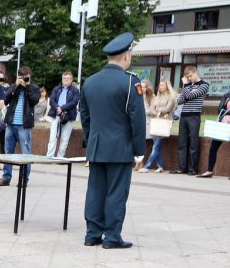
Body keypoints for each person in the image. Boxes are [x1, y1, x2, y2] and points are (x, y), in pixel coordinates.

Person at [80, 32, 145, 249]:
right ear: (126, 55)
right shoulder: (130, 83)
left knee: (95, 191)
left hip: (97, 147)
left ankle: (92, 234)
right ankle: (112, 237)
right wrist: (139, 150)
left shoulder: (90, 81)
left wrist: (90, 142)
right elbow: (137, 119)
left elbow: (85, 117)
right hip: (120, 148)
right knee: (116, 193)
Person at [0, 66, 41, 187]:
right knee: (8, 152)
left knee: (25, 153)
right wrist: (15, 86)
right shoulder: (14, 87)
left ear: (30, 76)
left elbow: (34, 101)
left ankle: (23, 178)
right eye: (22, 76)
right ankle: (6, 177)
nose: (24, 78)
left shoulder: (34, 88)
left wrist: (26, 87)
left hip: (24, 126)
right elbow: (6, 99)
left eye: (26, 76)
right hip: (10, 124)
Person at [171, 65, 210, 175]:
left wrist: (186, 85)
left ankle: (192, 169)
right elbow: (180, 100)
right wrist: (186, 88)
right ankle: (181, 167)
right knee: (182, 143)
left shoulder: (204, 85)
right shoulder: (188, 86)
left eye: (190, 76)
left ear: (196, 72)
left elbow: (191, 96)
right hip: (184, 116)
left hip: (194, 116)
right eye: (187, 77)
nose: (189, 78)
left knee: (193, 143)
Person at [141, 80, 176, 173]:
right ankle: (160, 166)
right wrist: (156, 111)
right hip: (156, 122)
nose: (160, 87)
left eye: (163, 85)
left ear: (167, 87)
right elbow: (152, 108)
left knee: (156, 146)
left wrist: (158, 110)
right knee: (157, 146)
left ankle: (147, 166)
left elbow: (168, 108)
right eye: (159, 85)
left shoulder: (171, 97)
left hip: (164, 122)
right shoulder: (157, 97)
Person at [46, 71, 80, 158]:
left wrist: (62, 108)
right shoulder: (56, 89)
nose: (66, 80)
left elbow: (74, 102)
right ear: (62, 79)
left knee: (65, 139)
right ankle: (49, 157)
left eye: (68, 78)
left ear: (71, 80)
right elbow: (52, 100)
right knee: (53, 137)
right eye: (64, 78)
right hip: (56, 114)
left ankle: (60, 158)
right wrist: (58, 108)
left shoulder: (75, 90)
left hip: (68, 116)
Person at [197, 88, 230, 178]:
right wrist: (226, 112)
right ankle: (209, 170)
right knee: (213, 147)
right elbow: (220, 107)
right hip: (223, 123)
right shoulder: (227, 95)